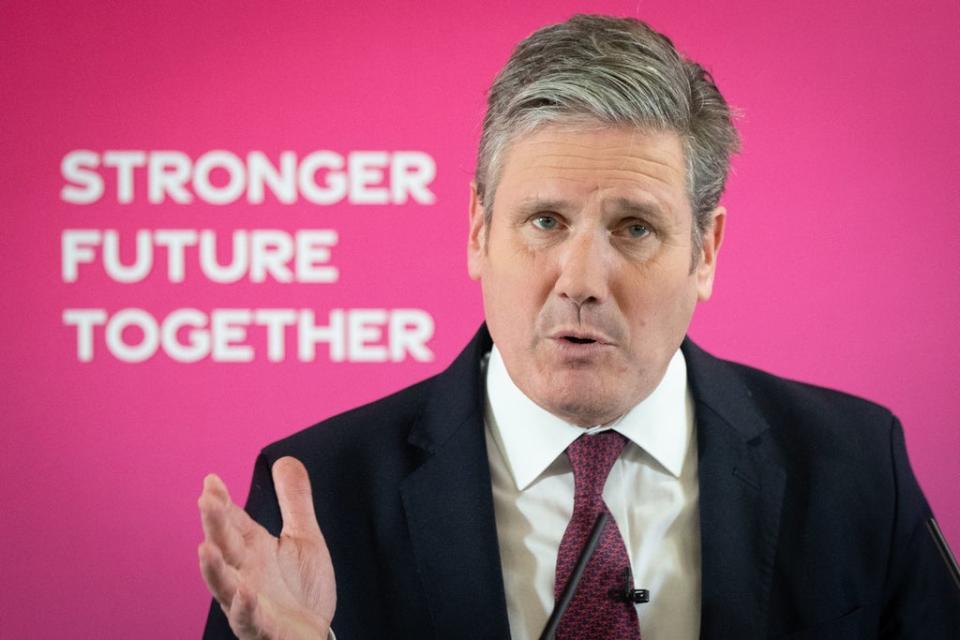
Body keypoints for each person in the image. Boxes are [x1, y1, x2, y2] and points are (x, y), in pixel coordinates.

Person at [198, 15, 960, 640]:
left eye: (634, 228)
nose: (582, 281)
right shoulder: (321, 490)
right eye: (545, 221)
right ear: (477, 231)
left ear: (706, 251)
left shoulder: (857, 467)